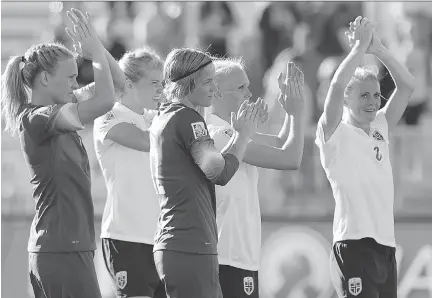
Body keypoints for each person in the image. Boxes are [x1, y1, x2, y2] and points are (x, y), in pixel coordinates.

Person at [0, 9, 116, 298]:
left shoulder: (58, 108)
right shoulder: (40, 117)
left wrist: (98, 49)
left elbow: (119, 85)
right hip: (63, 248)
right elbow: (105, 100)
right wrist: (96, 56)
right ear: (44, 80)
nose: (75, 85)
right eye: (70, 78)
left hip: (64, 247)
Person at [315, 16, 415, 298]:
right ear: (347, 98)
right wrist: (358, 49)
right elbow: (335, 88)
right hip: (353, 244)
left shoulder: (380, 127)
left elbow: (407, 86)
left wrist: (379, 50)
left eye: (375, 96)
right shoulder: (334, 132)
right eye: (364, 96)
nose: (372, 102)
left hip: (385, 246)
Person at [149, 48, 262, 298]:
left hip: (180, 242)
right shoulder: (189, 120)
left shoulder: (166, 116)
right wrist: (243, 135)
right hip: (189, 243)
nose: (216, 89)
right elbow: (218, 172)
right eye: (208, 81)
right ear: (189, 83)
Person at [207, 58, 306, 298]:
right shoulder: (215, 133)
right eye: (241, 87)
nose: (249, 94)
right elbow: (289, 158)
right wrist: (298, 111)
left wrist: (291, 111)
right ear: (216, 91)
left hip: (240, 254)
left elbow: (282, 143)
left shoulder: (234, 133)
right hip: (225, 255)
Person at [93, 47, 166, 298]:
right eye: (154, 82)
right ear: (130, 84)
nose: (161, 89)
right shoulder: (109, 116)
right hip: (125, 237)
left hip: (161, 240)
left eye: (163, 83)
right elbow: (149, 141)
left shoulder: (156, 118)